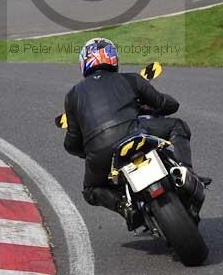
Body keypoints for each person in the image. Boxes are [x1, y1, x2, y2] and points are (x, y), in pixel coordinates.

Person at [63, 37, 204, 229]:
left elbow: (71, 143)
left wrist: (87, 151)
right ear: (113, 58)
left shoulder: (72, 95)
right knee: (177, 125)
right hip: (134, 132)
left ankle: (124, 206)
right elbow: (166, 104)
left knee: (91, 190)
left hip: (100, 152)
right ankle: (184, 172)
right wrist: (152, 106)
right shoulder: (130, 79)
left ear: (84, 62)